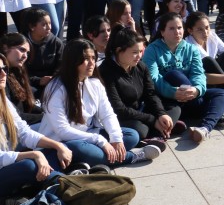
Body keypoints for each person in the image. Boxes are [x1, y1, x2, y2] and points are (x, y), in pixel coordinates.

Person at [41, 39, 160, 168]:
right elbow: (62, 131)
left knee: (131, 136)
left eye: (93, 58)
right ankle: (132, 157)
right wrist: (101, 141)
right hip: (63, 142)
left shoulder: (94, 83)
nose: (92, 63)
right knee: (81, 148)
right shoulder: (56, 89)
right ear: (72, 61)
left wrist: (116, 139)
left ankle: (88, 161)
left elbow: (108, 114)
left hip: (90, 134)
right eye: (86, 59)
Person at [141, 12, 224, 143]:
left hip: (193, 98)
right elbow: (153, 79)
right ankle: (211, 114)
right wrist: (173, 92)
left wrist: (197, 90)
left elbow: (198, 74)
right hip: (168, 99)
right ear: (162, 32)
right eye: (171, 28)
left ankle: (205, 128)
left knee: (222, 94)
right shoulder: (152, 50)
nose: (177, 32)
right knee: (174, 75)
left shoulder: (191, 49)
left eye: (179, 28)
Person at [0, 53, 73, 202]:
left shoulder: (3, 99)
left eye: (4, 69)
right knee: (30, 165)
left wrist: (57, 145)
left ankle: (58, 184)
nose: (3, 74)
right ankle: (64, 185)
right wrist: (34, 155)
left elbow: (24, 132)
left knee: (59, 149)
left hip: (8, 165)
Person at [99, 26, 180, 149]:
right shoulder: (106, 71)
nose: (139, 56)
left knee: (174, 109)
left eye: (141, 51)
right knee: (139, 129)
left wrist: (161, 114)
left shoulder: (140, 66)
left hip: (142, 110)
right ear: (119, 51)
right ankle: (162, 130)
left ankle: (162, 130)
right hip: (123, 117)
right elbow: (119, 108)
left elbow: (150, 94)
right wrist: (153, 120)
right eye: (135, 52)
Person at [0, 34, 43, 127]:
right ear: (5, 48)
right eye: (22, 50)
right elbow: (15, 117)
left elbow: (27, 105)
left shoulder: (16, 70)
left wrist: (46, 112)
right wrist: (45, 117)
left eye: (27, 52)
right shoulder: (2, 78)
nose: (25, 56)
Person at [23, 8, 63, 101]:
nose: (49, 27)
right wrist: (38, 80)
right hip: (30, 83)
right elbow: (19, 71)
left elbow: (62, 64)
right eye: (44, 24)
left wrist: (54, 78)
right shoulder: (22, 44)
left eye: (49, 23)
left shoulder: (56, 43)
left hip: (53, 82)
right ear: (32, 27)